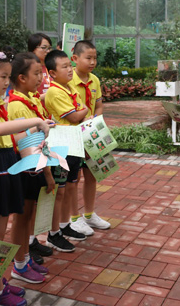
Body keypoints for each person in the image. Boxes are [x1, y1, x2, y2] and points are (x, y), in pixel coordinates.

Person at [0, 52, 53, 306]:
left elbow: (11, 137)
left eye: (8, 77)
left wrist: (35, 130)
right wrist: (35, 121)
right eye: (3, 77)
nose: (7, 82)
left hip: (4, 167)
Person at [8, 53, 55, 281]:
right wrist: (48, 174)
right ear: (21, 77)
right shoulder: (17, 106)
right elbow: (30, 144)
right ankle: (19, 264)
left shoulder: (31, 99)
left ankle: (25, 258)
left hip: (35, 164)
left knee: (28, 216)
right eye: (36, 74)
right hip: (28, 166)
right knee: (22, 217)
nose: (41, 78)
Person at [45, 50, 89, 247]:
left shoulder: (69, 87)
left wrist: (83, 111)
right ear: (52, 73)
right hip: (61, 145)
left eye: (69, 66)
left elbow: (81, 111)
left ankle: (64, 225)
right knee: (59, 190)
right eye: (64, 67)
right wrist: (84, 110)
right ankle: (54, 232)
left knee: (71, 184)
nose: (70, 70)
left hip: (73, 142)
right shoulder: (54, 92)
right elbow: (75, 116)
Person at [70, 40, 111, 233]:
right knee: (73, 178)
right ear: (75, 58)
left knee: (92, 173)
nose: (93, 62)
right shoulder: (68, 80)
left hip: (91, 132)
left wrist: (96, 119)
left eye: (95, 58)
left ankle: (89, 214)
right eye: (88, 58)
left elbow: (99, 105)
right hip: (73, 133)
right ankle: (73, 217)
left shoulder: (94, 80)